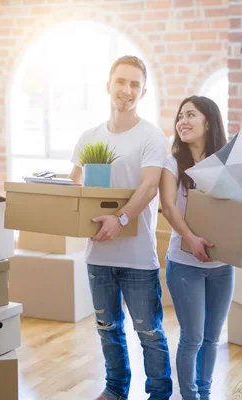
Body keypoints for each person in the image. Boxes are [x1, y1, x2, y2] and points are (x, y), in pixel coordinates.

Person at [68, 55, 172, 400]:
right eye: (121, 82)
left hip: (137, 256)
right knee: (107, 329)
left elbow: (149, 186)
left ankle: (158, 393)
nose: (126, 91)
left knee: (149, 332)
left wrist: (121, 219)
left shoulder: (151, 136)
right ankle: (115, 390)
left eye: (134, 85)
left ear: (143, 93)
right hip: (98, 253)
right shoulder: (88, 137)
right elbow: (76, 187)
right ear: (108, 86)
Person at [159, 96, 235, 400]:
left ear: (209, 121)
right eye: (180, 116)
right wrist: (192, 240)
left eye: (191, 114)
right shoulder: (172, 163)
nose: (182, 121)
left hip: (221, 266)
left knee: (212, 340)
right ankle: (190, 396)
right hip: (185, 265)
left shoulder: (225, 164)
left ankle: (204, 395)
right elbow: (167, 207)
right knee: (192, 338)